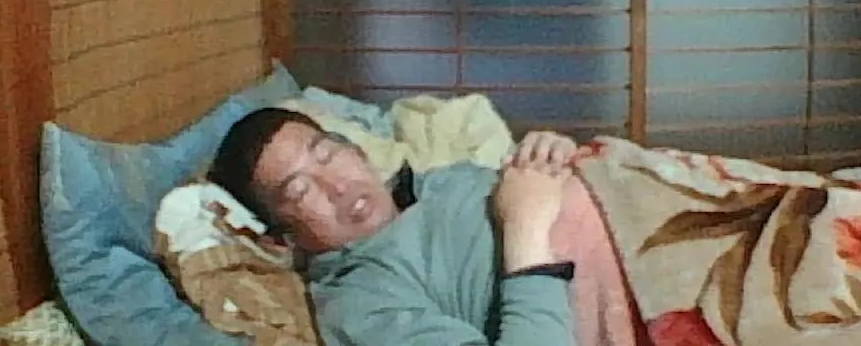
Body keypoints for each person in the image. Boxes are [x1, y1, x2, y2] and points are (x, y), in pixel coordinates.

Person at [208, 107, 585, 346]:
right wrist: (527, 234)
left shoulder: (440, 179)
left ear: (357, 151)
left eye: (327, 154)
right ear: (284, 239)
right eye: (300, 190)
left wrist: (549, 153)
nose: (337, 186)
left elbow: (541, 184)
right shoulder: (358, 301)